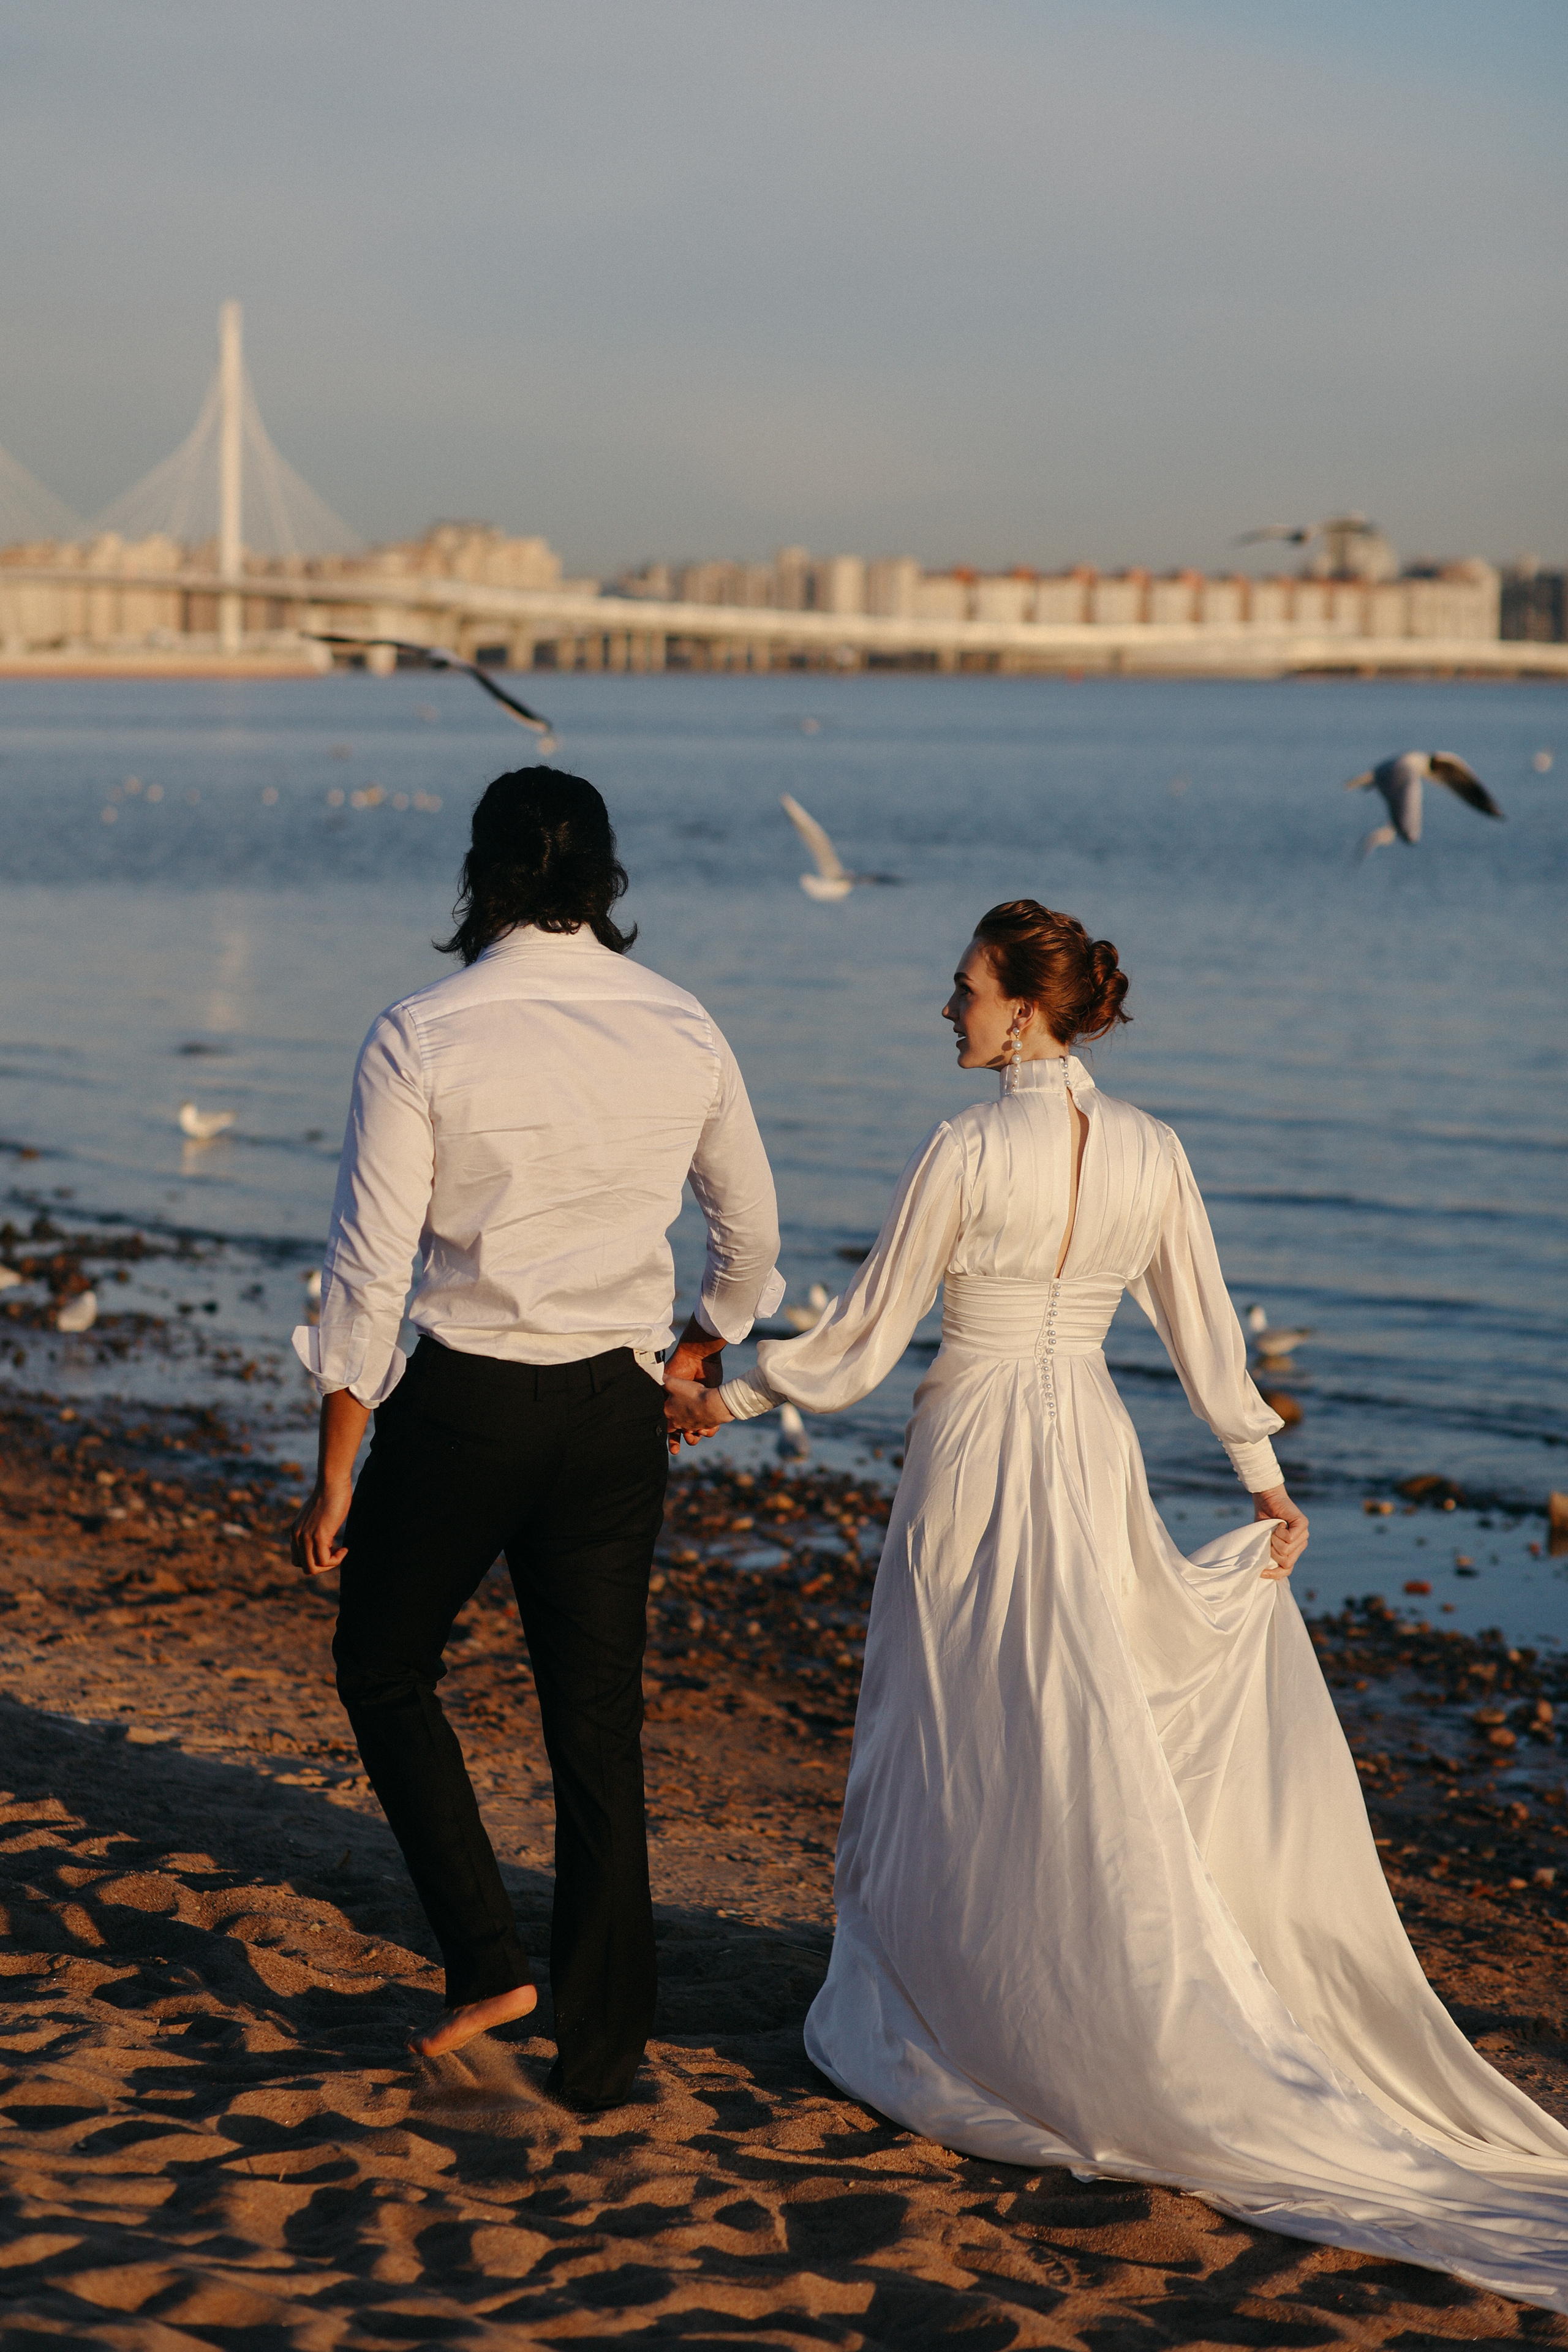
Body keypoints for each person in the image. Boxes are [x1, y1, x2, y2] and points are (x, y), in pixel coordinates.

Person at [665, 899, 1568, 2311]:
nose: (945, 1008)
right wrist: (1261, 1477)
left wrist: (729, 1388)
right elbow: (1208, 1336)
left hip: (973, 1450)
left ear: (1024, 1010)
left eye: (963, 989)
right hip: (1085, 1443)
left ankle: (960, 1999)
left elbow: (859, 1343)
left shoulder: (965, 1147)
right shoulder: (1152, 1149)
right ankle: (1018, 1978)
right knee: (1061, 1714)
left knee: (956, 1716)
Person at [291, 767, 782, 2109]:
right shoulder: (680, 1023)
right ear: (603, 879)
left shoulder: (423, 1032)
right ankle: (607, 2043)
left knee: (385, 1666)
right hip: (615, 1414)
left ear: (482, 875)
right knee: (595, 1723)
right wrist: (698, 1348)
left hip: (466, 1406)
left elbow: (368, 1271)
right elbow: (749, 1241)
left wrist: (337, 1464)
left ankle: (484, 1965)